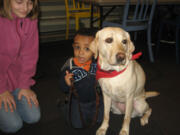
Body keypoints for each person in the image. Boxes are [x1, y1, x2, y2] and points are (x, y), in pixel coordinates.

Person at [0, 0, 41, 133]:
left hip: (15, 79)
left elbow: (30, 54)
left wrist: (24, 85)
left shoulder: (30, 20)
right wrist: (2, 90)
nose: (25, 8)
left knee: (33, 117)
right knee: (13, 125)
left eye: (30, 3)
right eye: (19, 2)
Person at [59, 28, 104, 129]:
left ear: (95, 50)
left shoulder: (98, 64)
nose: (81, 53)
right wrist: (66, 83)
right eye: (77, 47)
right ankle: (64, 106)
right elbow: (62, 88)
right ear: (73, 46)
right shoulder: (69, 66)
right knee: (76, 125)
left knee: (100, 120)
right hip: (77, 101)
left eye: (87, 49)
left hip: (95, 100)